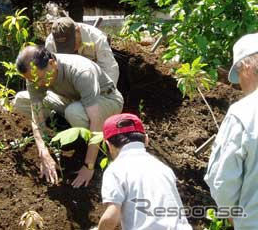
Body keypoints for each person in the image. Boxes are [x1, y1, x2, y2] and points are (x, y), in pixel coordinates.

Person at [13, 45, 124, 187]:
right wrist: (43, 152)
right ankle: (67, 126)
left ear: (52, 63)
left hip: (106, 100)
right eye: (33, 81)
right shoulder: (34, 74)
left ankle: (96, 150)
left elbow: (95, 121)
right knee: (21, 100)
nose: (38, 84)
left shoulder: (81, 71)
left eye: (40, 79)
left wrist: (88, 166)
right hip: (72, 100)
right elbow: (36, 115)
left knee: (74, 112)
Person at [98, 113, 192, 230]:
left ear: (108, 145)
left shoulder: (115, 170)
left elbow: (111, 217)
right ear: (146, 140)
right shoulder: (163, 168)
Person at [205, 33, 258, 229]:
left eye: (238, 74)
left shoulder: (243, 113)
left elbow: (223, 180)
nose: (240, 84)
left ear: (247, 67)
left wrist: (230, 213)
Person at [45, 16, 119, 85]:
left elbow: (110, 68)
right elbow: (49, 71)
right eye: (64, 47)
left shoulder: (96, 37)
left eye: (71, 45)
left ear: (77, 30)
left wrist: (106, 93)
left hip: (95, 80)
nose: (69, 50)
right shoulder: (50, 43)